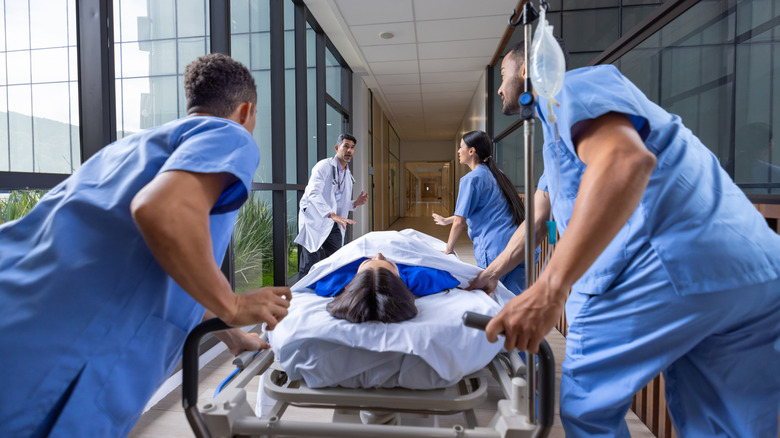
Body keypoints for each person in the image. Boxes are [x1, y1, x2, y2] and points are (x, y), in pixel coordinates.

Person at [469, 41, 780, 437]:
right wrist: (493, 273)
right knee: (724, 422)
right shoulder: (567, 137)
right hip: (755, 272)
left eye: (502, 76)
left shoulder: (567, 89)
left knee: (589, 410)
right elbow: (538, 218)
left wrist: (550, 289)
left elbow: (625, 162)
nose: (499, 89)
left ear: (528, 69)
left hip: (669, 267)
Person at [0, 53, 292, 437]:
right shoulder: (229, 134)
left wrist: (233, 336)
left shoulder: (125, 151)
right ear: (245, 111)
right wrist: (233, 305)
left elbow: (163, 274)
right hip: (52, 357)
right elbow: (162, 211)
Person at [432, 130, 528, 294]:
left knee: (490, 298)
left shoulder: (471, 179)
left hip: (496, 251)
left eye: (461, 146)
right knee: (514, 299)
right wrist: (445, 220)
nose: (458, 151)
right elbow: (480, 209)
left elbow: (460, 221)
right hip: (521, 245)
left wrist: (448, 248)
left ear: (472, 150)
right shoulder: (498, 175)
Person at [294, 133, 369, 276]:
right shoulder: (323, 166)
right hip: (315, 219)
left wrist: (355, 203)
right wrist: (331, 214)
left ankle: (333, 290)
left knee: (337, 259)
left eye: (352, 148)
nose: (349, 150)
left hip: (334, 220)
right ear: (337, 148)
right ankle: (302, 295)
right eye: (346, 146)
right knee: (310, 262)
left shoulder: (347, 174)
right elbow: (313, 193)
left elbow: (339, 201)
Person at [326, 253, 418, 323]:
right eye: (391, 264)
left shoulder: (330, 282)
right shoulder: (421, 278)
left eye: (366, 262)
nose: (379, 254)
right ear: (400, 279)